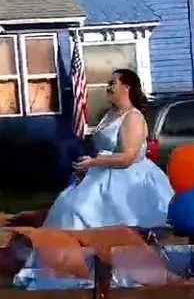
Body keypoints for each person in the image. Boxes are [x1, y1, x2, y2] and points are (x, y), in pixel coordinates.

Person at [43, 69, 174, 230]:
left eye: (113, 83)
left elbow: (128, 158)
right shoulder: (110, 114)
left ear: (126, 88)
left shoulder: (133, 117)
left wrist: (94, 162)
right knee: (69, 208)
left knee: (89, 212)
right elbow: (102, 148)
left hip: (130, 180)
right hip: (102, 175)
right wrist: (88, 168)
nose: (108, 87)